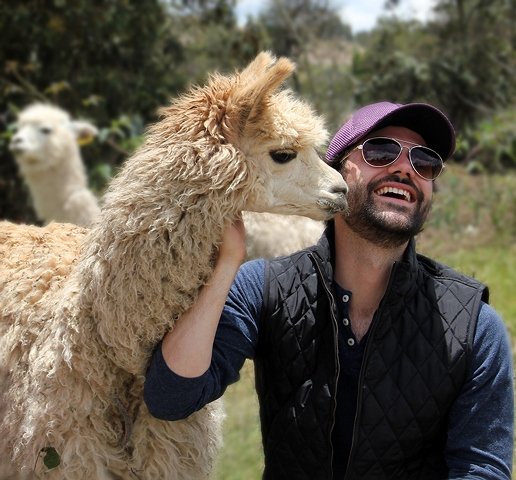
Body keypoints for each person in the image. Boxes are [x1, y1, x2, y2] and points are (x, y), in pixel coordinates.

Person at [144, 101, 514, 479]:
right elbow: (171, 396)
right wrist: (227, 264)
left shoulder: (474, 327)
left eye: (425, 162)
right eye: (381, 151)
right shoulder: (263, 288)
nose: (406, 168)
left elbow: (481, 468)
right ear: (335, 172)